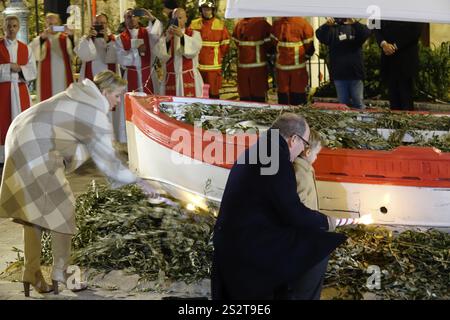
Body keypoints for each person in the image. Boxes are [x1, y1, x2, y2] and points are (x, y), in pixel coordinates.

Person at [0, 70, 157, 297]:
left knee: (33, 211)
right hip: (37, 146)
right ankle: (62, 273)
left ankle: (31, 271)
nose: (117, 102)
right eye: (116, 96)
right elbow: (109, 161)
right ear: (104, 92)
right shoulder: (93, 109)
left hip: (19, 134)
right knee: (64, 211)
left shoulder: (78, 95)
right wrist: (142, 183)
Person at [212, 113, 347, 300]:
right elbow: (293, 212)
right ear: (293, 140)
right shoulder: (276, 159)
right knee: (318, 246)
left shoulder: (262, 149)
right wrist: (328, 222)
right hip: (246, 244)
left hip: (234, 236)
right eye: (305, 144)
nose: (303, 150)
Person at [115, 8, 162, 142]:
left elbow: (158, 35)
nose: (131, 19)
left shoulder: (147, 33)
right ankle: (130, 138)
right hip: (131, 76)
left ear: (139, 18)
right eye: (128, 17)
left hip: (148, 76)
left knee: (150, 106)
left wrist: (151, 17)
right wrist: (136, 50)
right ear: (124, 20)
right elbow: (122, 59)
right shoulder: (120, 38)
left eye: (134, 16)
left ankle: (152, 136)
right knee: (130, 109)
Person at [0, 16, 36, 165]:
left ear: (18, 27)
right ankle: (2, 158)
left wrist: (20, 69)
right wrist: (9, 67)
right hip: (3, 91)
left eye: (14, 26)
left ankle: (21, 153)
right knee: (3, 122)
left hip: (20, 90)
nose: (11, 29)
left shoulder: (25, 48)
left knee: (21, 122)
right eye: (9, 26)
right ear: (3, 27)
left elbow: (33, 71)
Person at [316, 18, 371, 109]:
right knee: (343, 105)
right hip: (339, 74)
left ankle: (359, 122)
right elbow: (320, 35)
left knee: (358, 103)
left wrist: (355, 23)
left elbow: (366, 33)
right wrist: (327, 25)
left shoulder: (355, 27)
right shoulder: (332, 28)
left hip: (355, 74)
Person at [374, 20, 424, 110]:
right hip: (388, 60)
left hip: (406, 61)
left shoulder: (414, 10)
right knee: (393, 98)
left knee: (406, 98)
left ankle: (407, 123)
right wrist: (384, 44)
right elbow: (375, 26)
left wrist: (395, 46)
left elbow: (415, 31)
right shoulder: (383, 8)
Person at [155, 8, 204, 97]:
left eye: (180, 18)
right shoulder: (166, 35)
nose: (177, 21)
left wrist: (181, 36)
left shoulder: (194, 34)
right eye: (174, 18)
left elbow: (192, 52)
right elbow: (161, 56)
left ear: (186, 19)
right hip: (170, 78)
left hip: (188, 77)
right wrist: (167, 39)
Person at [29, 12, 74, 102]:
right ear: (45, 24)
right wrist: (41, 39)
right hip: (46, 78)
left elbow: (77, 52)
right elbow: (30, 53)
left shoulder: (65, 38)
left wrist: (72, 36)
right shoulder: (41, 38)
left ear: (60, 24)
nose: (53, 26)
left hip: (63, 77)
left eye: (55, 24)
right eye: (50, 24)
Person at [191, 0, 230, 98]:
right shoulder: (194, 24)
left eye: (208, 9)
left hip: (213, 66)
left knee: (214, 93)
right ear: (201, 10)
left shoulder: (220, 24)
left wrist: (218, 56)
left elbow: (225, 45)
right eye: (204, 9)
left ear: (213, 10)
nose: (206, 11)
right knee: (199, 92)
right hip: (198, 64)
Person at [271, 17, 315, 105]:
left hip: (282, 66)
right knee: (298, 92)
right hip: (298, 67)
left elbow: (273, 43)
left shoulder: (277, 24)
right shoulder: (303, 23)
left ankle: (284, 114)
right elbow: (309, 46)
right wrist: (306, 56)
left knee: (283, 92)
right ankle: (298, 115)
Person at [232, 17, 272, 102]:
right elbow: (270, 43)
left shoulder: (239, 24)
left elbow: (236, 41)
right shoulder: (262, 24)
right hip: (258, 66)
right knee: (258, 95)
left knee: (244, 95)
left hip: (242, 66)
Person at [75, 13, 118, 81]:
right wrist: (88, 38)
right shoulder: (86, 38)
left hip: (108, 72)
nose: (100, 25)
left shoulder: (114, 38)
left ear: (107, 24)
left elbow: (115, 56)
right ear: (92, 24)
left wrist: (108, 40)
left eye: (103, 23)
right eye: (97, 23)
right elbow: (81, 54)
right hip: (90, 73)